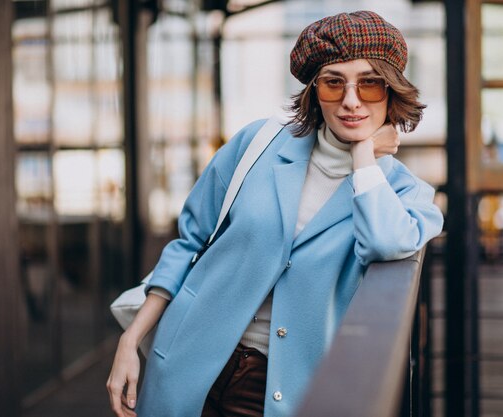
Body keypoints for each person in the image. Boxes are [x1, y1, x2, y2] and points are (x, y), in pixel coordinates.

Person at [107, 10, 444, 417]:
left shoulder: (405, 194)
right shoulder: (257, 144)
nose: (351, 101)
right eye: (333, 83)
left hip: (280, 392)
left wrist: (363, 156)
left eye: (370, 84)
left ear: (391, 91)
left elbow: (384, 241)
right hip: (184, 362)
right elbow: (190, 242)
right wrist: (130, 342)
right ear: (315, 91)